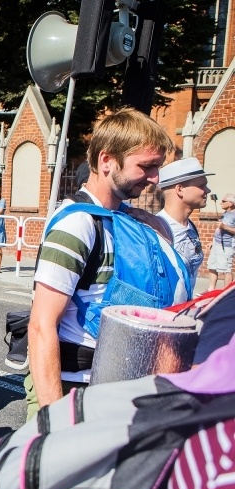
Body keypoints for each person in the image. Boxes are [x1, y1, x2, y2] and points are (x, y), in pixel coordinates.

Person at [26, 108, 190, 420]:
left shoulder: (133, 222)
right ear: (106, 161)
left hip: (123, 389)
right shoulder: (77, 225)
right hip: (78, 391)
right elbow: (41, 325)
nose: (155, 179)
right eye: (146, 166)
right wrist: (54, 420)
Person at [156, 158, 211, 291]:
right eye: (201, 185)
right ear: (180, 189)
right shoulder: (157, 229)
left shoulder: (190, 227)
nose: (208, 190)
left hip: (183, 309)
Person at [206, 193, 235, 291]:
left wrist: (224, 227)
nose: (220, 203)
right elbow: (219, 230)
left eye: (223, 201)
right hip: (217, 244)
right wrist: (213, 241)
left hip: (226, 246)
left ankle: (226, 293)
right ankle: (211, 289)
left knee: (226, 270)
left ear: (230, 203)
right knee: (212, 266)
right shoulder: (225, 213)